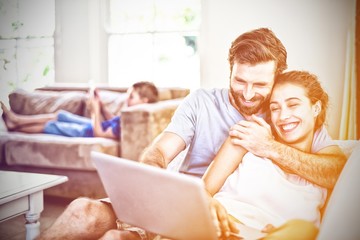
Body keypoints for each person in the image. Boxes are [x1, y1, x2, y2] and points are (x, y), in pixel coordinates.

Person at [37, 28, 346, 240]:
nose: (249, 94)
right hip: (175, 198)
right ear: (230, 69)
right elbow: (158, 152)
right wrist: (148, 184)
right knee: (82, 212)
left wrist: (269, 147)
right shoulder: (201, 102)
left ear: (276, 78)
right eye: (240, 81)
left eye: (261, 85)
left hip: (212, 214)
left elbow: (335, 170)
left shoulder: (285, 119)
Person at [203, 70, 346, 240]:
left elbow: (337, 173)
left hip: (271, 236)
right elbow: (202, 191)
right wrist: (211, 207)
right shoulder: (249, 136)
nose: (283, 116)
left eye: (293, 105)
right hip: (221, 226)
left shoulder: (323, 171)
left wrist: (269, 147)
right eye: (275, 108)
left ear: (316, 108)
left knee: (304, 229)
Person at [1, 81, 159, 140]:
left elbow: (100, 133)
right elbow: (112, 120)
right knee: (60, 115)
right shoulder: (130, 115)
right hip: (92, 126)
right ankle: (18, 120)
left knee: (51, 125)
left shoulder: (133, 124)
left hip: (89, 131)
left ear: (144, 101)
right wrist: (102, 106)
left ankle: (15, 125)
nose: (127, 99)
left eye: (131, 96)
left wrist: (95, 111)